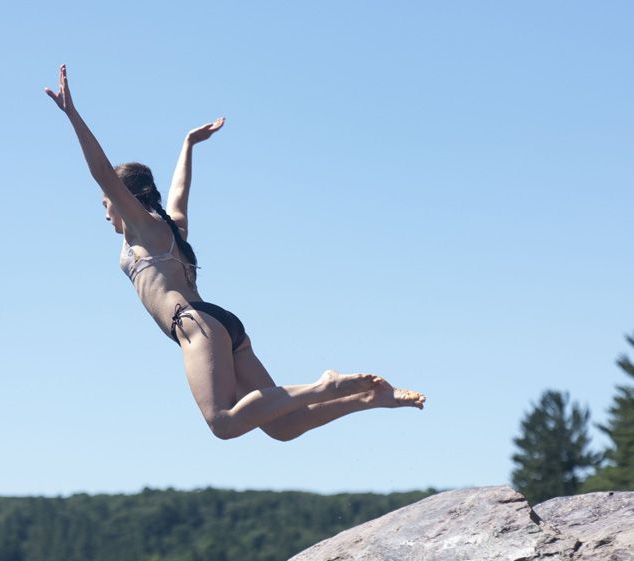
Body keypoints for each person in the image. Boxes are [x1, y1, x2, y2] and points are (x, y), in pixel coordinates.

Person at [45, 65, 425, 441]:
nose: (105, 211)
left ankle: (326, 385)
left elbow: (101, 171)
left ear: (121, 198)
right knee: (283, 426)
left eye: (106, 203)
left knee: (223, 422)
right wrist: (188, 145)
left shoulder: (141, 228)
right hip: (221, 323)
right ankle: (369, 398)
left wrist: (73, 115)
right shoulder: (171, 226)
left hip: (194, 323)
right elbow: (178, 190)